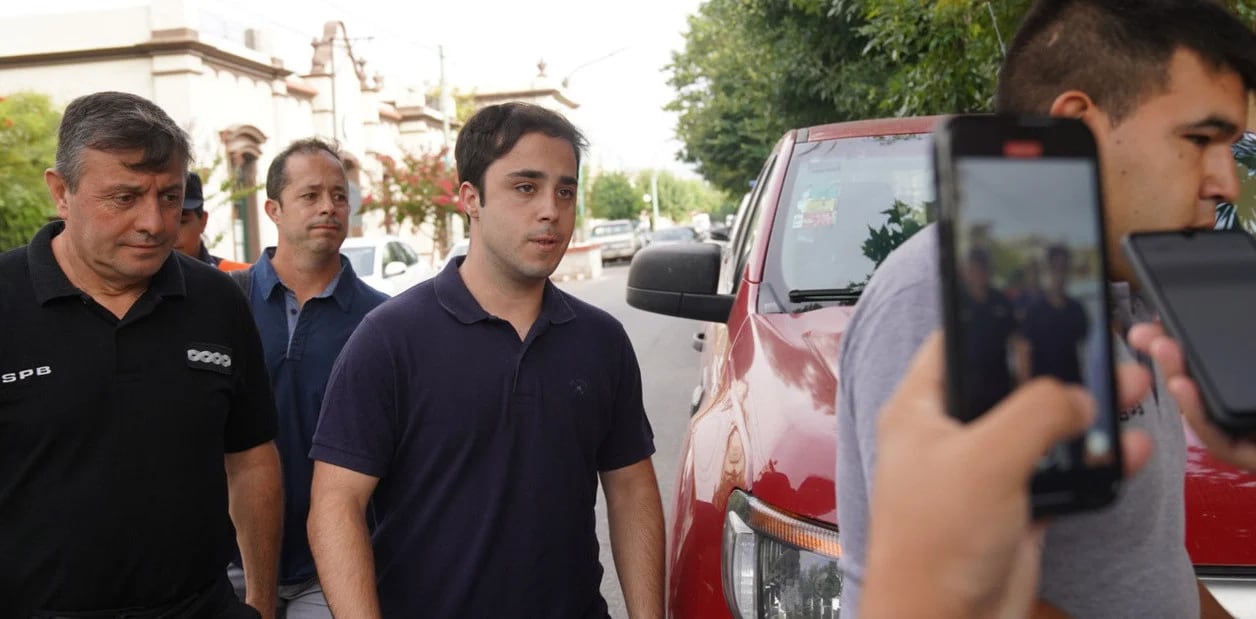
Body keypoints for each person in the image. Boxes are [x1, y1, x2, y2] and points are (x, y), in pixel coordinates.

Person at [835, 2, 1256, 617]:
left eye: (1232, 147)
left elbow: (1144, 568)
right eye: (1198, 140)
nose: (1227, 182)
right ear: (1078, 128)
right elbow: (959, 588)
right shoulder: (945, 288)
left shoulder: (1125, 289)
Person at [307, 102, 664, 618]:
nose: (551, 209)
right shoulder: (389, 339)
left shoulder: (600, 340)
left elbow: (631, 491)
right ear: (470, 198)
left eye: (565, 190)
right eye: (526, 187)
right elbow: (336, 506)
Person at [0, 91, 281, 617]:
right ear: (61, 192)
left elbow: (250, 460)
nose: (154, 222)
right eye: (124, 198)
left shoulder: (219, 299)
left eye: (170, 197)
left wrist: (261, 604)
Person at [859, 333, 1155, 619]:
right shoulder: (921, 302)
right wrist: (938, 602)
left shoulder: (1129, 314)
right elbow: (919, 553)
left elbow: (1151, 555)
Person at [225, 138, 387, 617]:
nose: (330, 208)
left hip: (334, 565)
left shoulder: (382, 321)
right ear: (273, 208)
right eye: (311, 195)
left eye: (340, 195)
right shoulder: (223, 305)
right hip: (226, 562)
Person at [1015, 245, 1089, 384]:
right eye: (1055, 268)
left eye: (1064, 269)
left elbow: (1086, 352)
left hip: (1072, 385)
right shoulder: (1033, 310)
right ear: (1047, 271)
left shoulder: (1077, 309)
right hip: (1043, 387)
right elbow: (1024, 352)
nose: (1060, 275)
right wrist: (1026, 390)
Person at [176, 171, 250, 271]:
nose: (171, 234)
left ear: (203, 221)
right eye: (163, 222)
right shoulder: (148, 281)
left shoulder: (239, 278)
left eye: (181, 222)